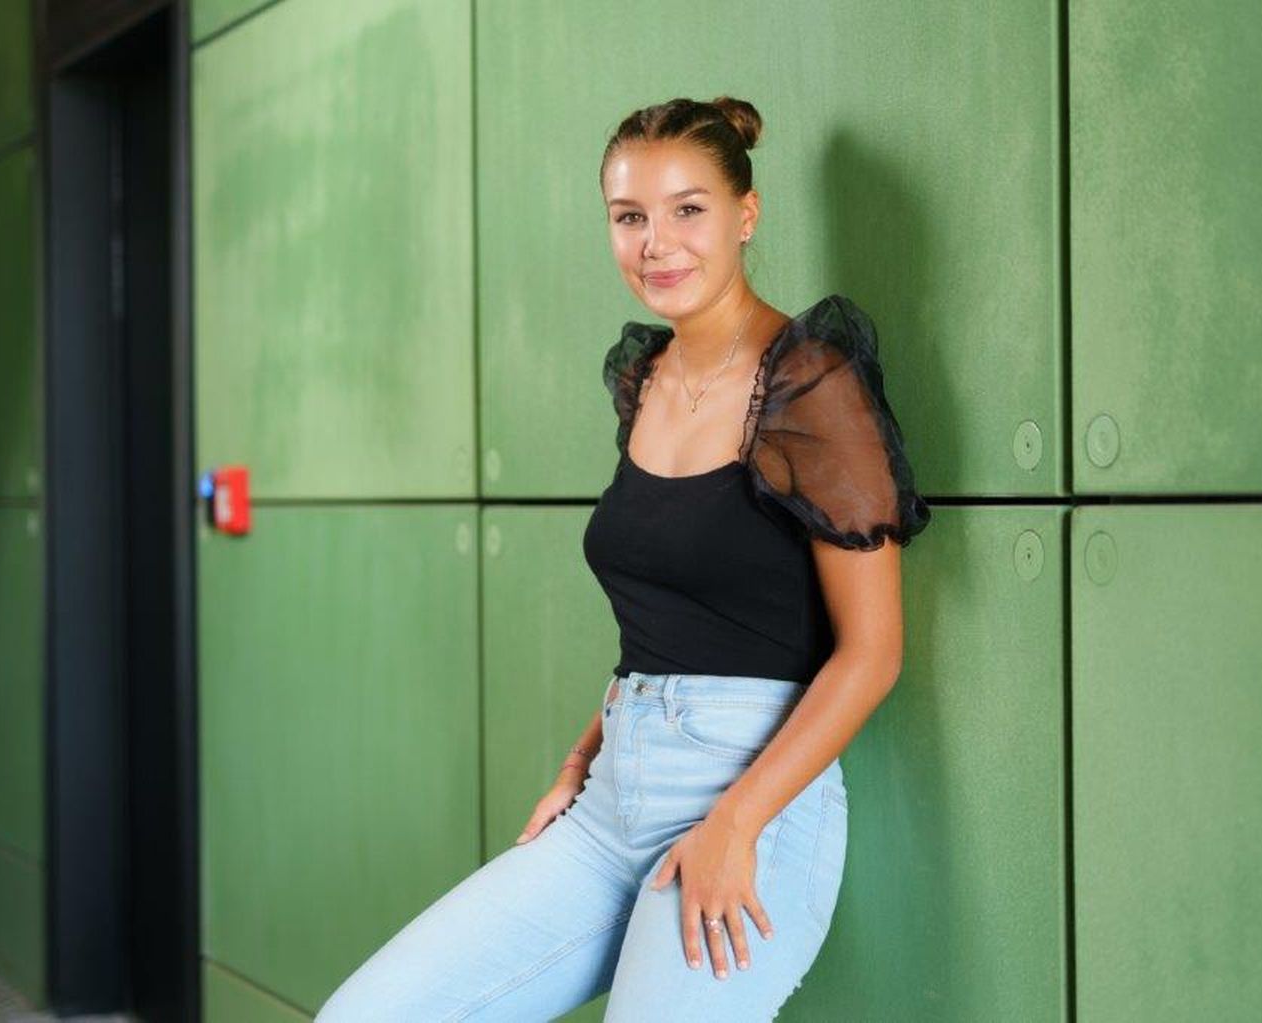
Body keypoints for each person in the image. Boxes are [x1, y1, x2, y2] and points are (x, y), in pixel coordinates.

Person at [316, 95, 930, 1022]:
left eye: (688, 210)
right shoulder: (647, 379)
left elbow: (873, 652)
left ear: (746, 216)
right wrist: (584, 756)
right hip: (612, 798)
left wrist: (735, 821)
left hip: (754, 801)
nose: (657, 243)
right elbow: (672, 613)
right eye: (630, 216)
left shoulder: (810, 383)